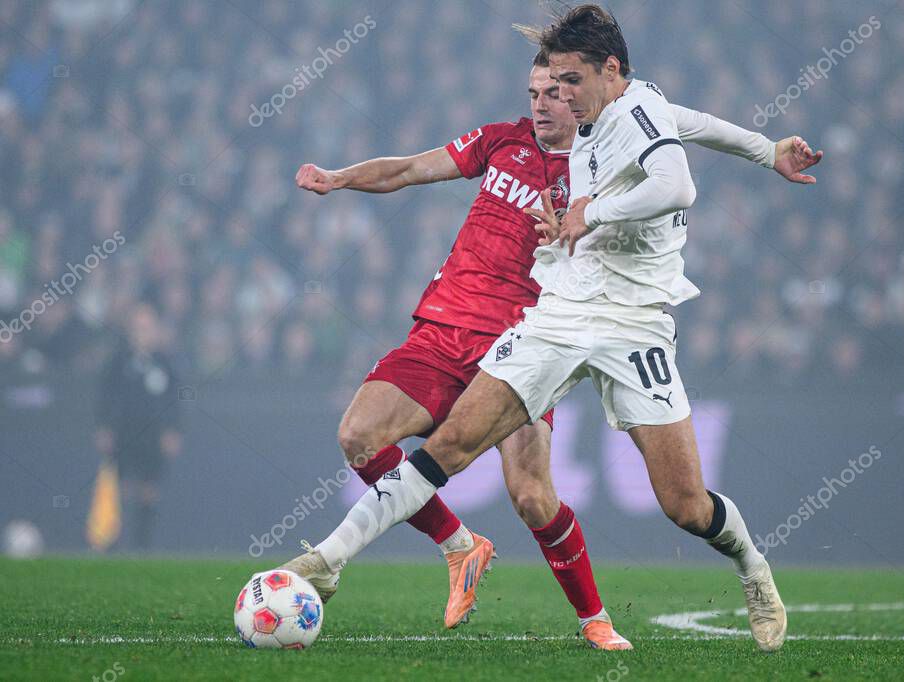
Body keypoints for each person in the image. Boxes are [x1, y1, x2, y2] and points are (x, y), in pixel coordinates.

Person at [283, 34, 821, 650]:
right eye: (543, 87)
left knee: (685, 506)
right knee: (450, 445)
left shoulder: (636, 115)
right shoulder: (537, 134)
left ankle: (752, 565)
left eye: (565, 83)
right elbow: (700, 124)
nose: (550, 98)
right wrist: (766, 149)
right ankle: (328, 560)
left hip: (635, 320)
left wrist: (589, 214)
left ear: (606, 73)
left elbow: (679, 174)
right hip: (560, 311)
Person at [95, 303, 182, 550]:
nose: (141, 334)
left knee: (149, 490)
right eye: (137, 328)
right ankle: (114, 545)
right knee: (121, 488)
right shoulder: (118, 362)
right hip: (124, 433)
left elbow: (176, 399)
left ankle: (143, 546)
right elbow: (106, 396)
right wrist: (104, 427)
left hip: (153, 436)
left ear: (155, 331)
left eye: (146, 328)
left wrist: (173, 430)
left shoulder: (165, 363)